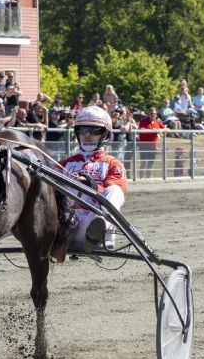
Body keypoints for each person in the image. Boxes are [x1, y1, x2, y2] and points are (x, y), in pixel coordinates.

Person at [59, 106, 128, 251]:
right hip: (66, 226)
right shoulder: (64, 164)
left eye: (94, 131)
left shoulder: (113, 164)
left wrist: (94, 187)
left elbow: (116, 196)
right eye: (83, 130)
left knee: (115, 190)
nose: (87, 135)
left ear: (105, 135)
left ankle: (98, 229)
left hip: (93, 224)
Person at [137, 107, 166, 178]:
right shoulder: (143, 121)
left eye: (155, 114)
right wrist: (152, 130)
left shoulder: (158, 122)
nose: (154, 115)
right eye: (152, 113)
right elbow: (141, 129)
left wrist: (159, 130)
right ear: (148, 114)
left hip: (153, 147)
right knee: (143, 164)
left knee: (150, 164)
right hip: (143, 147)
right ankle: (140, 179)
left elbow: (165, 128)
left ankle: (148, 178)